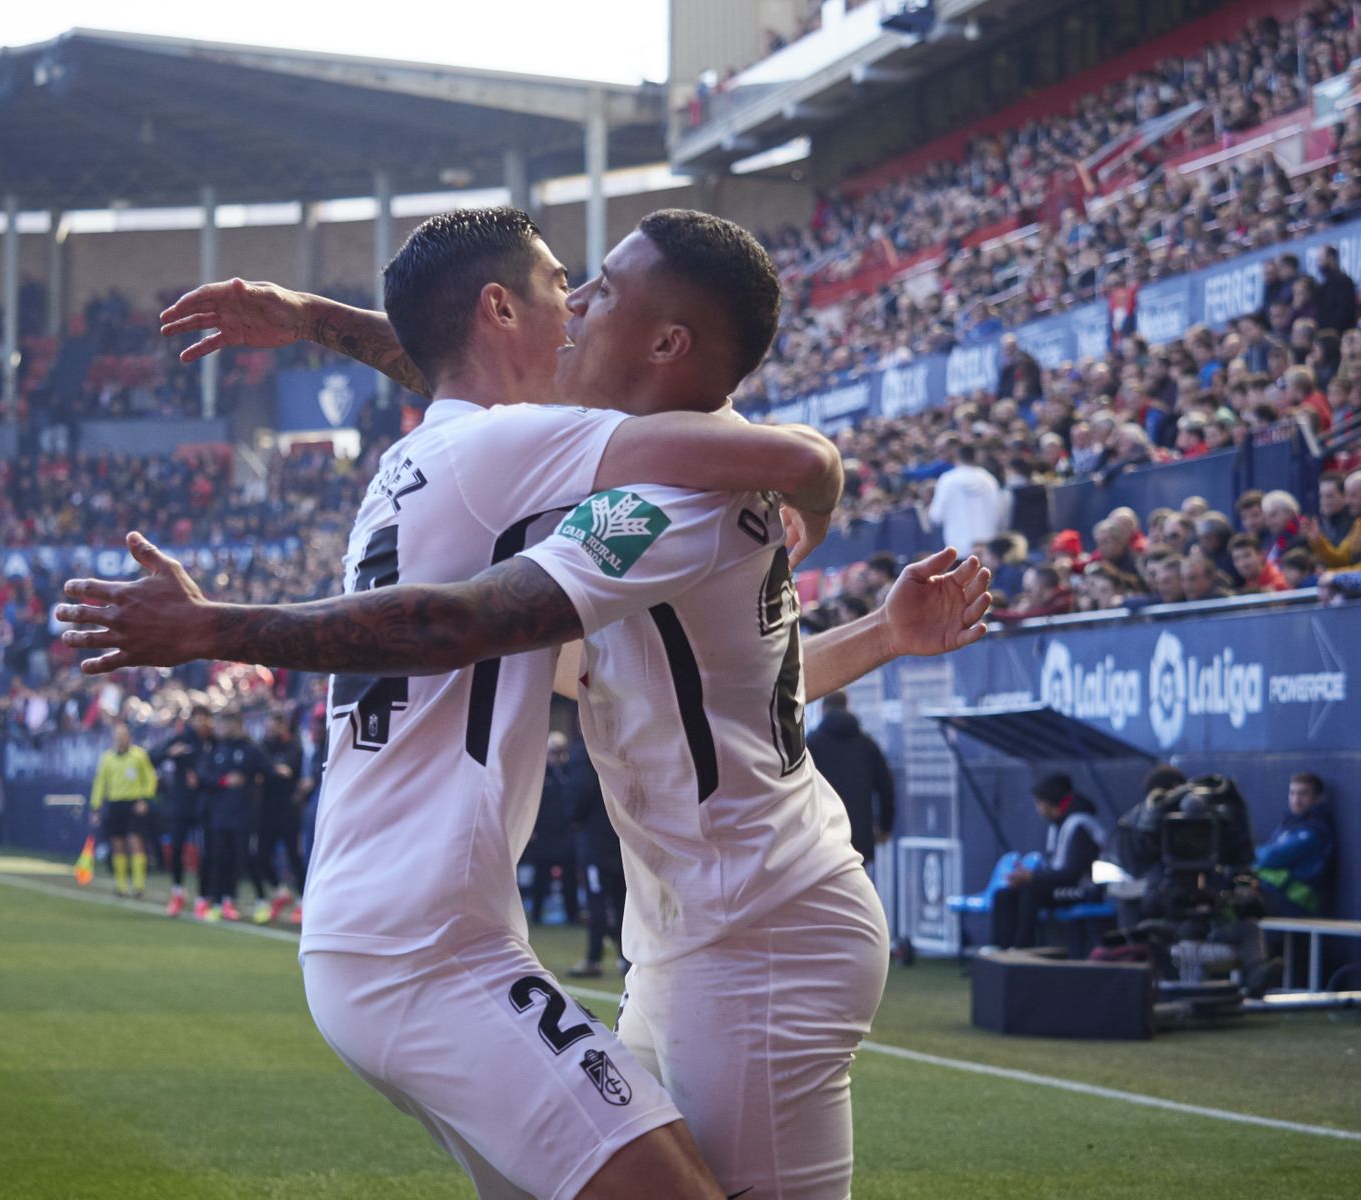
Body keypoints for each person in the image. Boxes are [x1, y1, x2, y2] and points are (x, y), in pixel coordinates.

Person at [61, 206, 992, 1199]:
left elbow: (464, 610)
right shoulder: (573, 466)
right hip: (684, 924)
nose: (580, 305)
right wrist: (871, 606)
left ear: (665, 342)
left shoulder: (663, 492)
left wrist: (214, 629)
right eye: (568, 287)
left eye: (603, 291)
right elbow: (481, 384)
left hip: (751, 924)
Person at [989, 774, 1103, 952]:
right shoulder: (1057, 826)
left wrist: (1033, 878)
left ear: (1050, 803)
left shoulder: (1080, 825)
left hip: (1085, 890)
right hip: (1059, 886)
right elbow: (1054, 867)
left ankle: (1021, 950)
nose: (1037, 809)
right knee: (1005, 894)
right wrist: (1030, 876)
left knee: (1031, 890)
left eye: (1039, 803)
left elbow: (1071, 874)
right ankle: (999, 951)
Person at [806, 692, 895, 868]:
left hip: (822, 838)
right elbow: (887, 788)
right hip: (859, 837)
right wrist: (885, 827)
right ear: (847, 707)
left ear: (823, 709)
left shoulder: (811, 745)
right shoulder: (868, 745)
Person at [195, 710, 267, 922]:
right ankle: (220, 903)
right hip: (219, 815)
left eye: (226, 724)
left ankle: (263, 901)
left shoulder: (251, 749)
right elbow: (203, 776)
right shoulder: (216, 749)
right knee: (219, 859)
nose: (222, 728)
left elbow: (268, 771)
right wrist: (223, 781)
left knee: (247, 858)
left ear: (237, 725)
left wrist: (257, 783)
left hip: (245, 815)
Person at [567, 736, 625, 980]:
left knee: (597, 901)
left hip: (596, 842)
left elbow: (579, 796)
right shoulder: (621, 745)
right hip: (621, 838)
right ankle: (628, 957)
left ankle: (593, 959)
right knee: (623, 901)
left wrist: (572, 816)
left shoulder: (586, 751)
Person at [87, 723, 157, 899]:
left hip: (133, 803)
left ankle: (139, 886)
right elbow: (100, 783)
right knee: (118, 845)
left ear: (130, 737)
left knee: (135, 842)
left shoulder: (139, 756)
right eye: (118, 737)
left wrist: (144, 799)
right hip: (115, 803)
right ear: (113, 739)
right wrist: (95, 806)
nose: (121, 740)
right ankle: (121, 886)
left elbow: (150, 778)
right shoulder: (107, 759)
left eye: (124, 736)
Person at [248, 712, 304, 924]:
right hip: (266, 811)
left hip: (288, 811)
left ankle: (302, 901)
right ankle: (280, 891)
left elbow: (286, 771)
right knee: (260, 855)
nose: (271, 731)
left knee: (294, 858)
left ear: (284, 727)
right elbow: (268, 770)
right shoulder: (262, 747)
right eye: (269, 727)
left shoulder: (294, 747)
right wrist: (271, 771)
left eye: (275, 726)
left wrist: (269, 771)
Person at [1254, 773, 1335, 917]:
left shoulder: (1314, 831)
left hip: (1298, 906)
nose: (1296, 800)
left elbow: (1270, 857)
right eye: (1292, 793)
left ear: (1318, 798)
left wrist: (1248, 854)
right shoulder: (1289, 824)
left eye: (1303, 794)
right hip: (1277, 902)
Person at [159, 710, 213, 917]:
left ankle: (202, 899)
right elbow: (154, 755)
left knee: (204, 853)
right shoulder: (181, 739)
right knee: (176, 849)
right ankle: (178, 892)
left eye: (205, 718)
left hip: (203, 805)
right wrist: (170, 753)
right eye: (198, 718)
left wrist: (201, 778)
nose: (202, 722)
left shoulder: (214, 742)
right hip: (180, 805)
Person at [525, 732, 581, 927]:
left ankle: (572, 914)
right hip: (544, 836)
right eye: (552, 751)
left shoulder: (569, 773)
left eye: (559, 751)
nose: (556, 756)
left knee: (569, 878)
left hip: (566, 834)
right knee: (540, 878)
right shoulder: (540, 775)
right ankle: (537, 915)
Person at [927, 442, 1003, 554]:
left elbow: (936, 515)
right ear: (977, 457)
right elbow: (999, 513)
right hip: (987, 548)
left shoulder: (948, 480)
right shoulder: (989, 480)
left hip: (957, 549)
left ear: (957, 457)